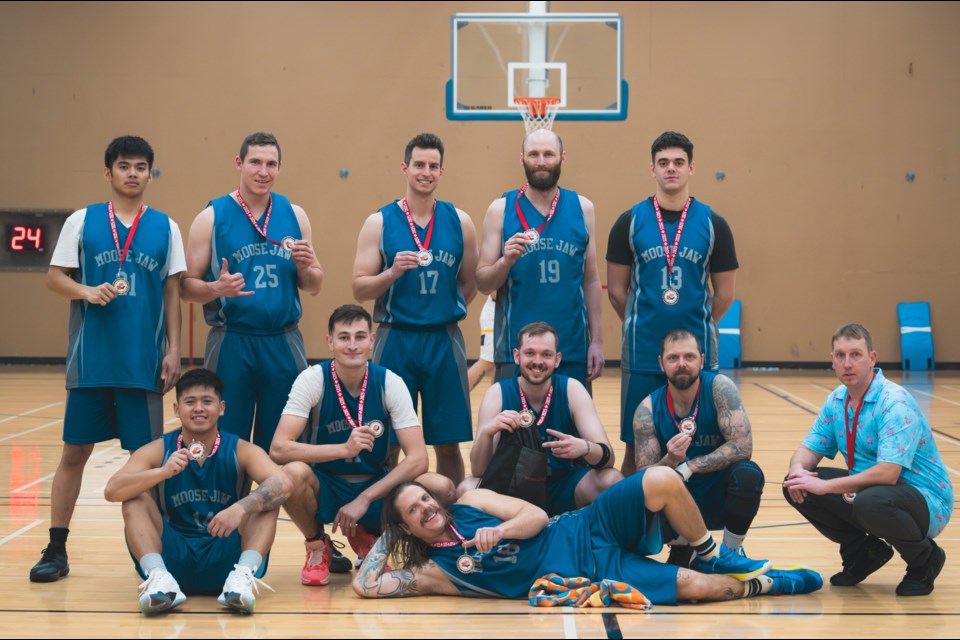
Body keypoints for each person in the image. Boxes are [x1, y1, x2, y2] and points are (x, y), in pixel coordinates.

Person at [30, 136, 184, 583]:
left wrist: (174, 350)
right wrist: (86, 291)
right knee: (74, 452)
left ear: (150, 174)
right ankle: (56, 548)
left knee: (147, 460)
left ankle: (156, 554)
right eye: (123, 166)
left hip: (142, 363)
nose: (132, 173)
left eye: (140, 167)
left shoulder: (165, 227)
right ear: (108, 173)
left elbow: (172, 291)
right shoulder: (83, 221)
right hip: (91, 361)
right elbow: (55, 278)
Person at [353, 469, 823, 603]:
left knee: (659, 479)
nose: (427, 507)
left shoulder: (472, 505)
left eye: (425, 499)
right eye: (414, 510)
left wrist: (500, 531)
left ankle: (709, 553)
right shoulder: (437, 571)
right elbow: (367, 585)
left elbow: (535, 516)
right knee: (696, 590)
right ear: (408, 527)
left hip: (585, 527)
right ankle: (771, 583)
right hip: (591, 575)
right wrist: (386, 534)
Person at [104, 369, 295, 614]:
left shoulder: (241, 449)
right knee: (134, 499)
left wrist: (241, 507)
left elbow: (284, 484)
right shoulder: (158, 449)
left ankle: (241, 580)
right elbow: (112, 490)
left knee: (267, 498)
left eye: (207, 401)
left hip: (227, 557)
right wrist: (161, 472)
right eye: (190, 402)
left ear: (221, 407)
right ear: (176, 409)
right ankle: (160, 580)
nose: (199, 409)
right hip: (173, 557)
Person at [784, 323, 953, 596]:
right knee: (795, 484)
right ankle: (864, 553)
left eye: (856, 355)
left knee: (868, 501)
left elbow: (888, 474)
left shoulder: (894, 402)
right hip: (871, 494)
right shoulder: (837, 400)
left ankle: (925, 560)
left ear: (872, 358)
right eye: (840, 355)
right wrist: (796, 471)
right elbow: (808, 450)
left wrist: (826, 486)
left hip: (925, 499)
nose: (847, 363)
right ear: (832, 360)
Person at [606, 131, 738, 476]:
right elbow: (617, 291)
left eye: (679, 162)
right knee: (636, 446)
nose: (671, 169)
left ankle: (693, 521)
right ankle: (633, 524)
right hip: (643, 352)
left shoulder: (714, 224)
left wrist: (698, 324)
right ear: (652, 169)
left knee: (701, 441)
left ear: (691, 168)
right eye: (663, 163)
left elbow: (724, 294)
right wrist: (641, 320)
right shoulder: (629, 221)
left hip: (696, 356)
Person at [182, 132, 323, 452]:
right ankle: (229, 502)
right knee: (226, 437)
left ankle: (269, 504)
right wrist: (215, 288)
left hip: (283, 340)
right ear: (239, 164)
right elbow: (185, 287)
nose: (263, 171)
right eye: (255, 162)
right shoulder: (212, 216)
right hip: (231, 338)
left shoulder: (295, 214)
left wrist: (305, 267)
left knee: (283, 441)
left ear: (279, 168)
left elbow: (314, 284)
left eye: (271, 164)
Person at [269, 304, 430, 587]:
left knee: (437, 486)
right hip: (326, 484)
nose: (352, 345)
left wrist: (365, 499)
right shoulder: (312, 379)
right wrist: (343, 449)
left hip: (374, 486)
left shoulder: (390, 382)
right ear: (330, 342)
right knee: (291, 473)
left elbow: (418, 459)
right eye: (344, 337)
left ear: (373, 340)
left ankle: (369, 536)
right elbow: (279, 448)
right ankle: (317, 547)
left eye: (359, 336)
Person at [352, 133, 477, 486]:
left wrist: (444, 309)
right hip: (396, 338)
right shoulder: (379, 222)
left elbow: (470, 283)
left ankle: (449, 519)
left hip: (443, 339)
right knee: (388, 442)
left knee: (448, 443)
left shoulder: (460, 221)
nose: (426, 172)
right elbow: (359, 287)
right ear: (405, 168)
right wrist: (391, 272)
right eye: (419, 165)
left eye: (433, 166)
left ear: (442, 172)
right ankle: (389, 519)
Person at [476, 129, 604, 389]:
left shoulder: (583, 208)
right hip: (516, 348)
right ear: (522, 158)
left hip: (571, 347)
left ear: (562, 158)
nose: (542, 161)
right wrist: (504, 262)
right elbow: (482, 282)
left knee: (571, 428)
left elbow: (591, 281)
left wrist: (597, 342)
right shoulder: (500, 209)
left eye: (549, 154)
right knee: (514, 428)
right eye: (534, 154)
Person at [461, 322, 621, 515]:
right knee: (467, 488)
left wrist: (585, 447)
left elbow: (608, 458)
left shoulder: (572, 389)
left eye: (546, 354)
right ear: (517, 356)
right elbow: (479, 471)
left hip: (564, 487)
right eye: (530, 353)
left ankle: (606, 543)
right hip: (511, 493)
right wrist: (487, 433)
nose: (538, 361)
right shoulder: (498, 394)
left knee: (612, 480)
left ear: (557, 359)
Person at [633, 328, 763, 566]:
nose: (681, 364)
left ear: (702, 360)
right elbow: (643, 478)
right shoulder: (647, 409)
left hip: (717, 492)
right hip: (678, 500)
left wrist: (689, 466)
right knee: (644, 497)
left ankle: (730, 552)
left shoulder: (719, 388)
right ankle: (682, 546)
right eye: (673, 358)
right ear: (661, 363)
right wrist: (671, 461)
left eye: (689, 357)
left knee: (748, 474)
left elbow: (743, 447)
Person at [467, 294, 496, 390]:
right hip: (494, 314)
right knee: (487, 361)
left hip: (507, 313)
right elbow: (494, 292)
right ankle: (454, 399)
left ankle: (496, 402)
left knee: (502, 363)